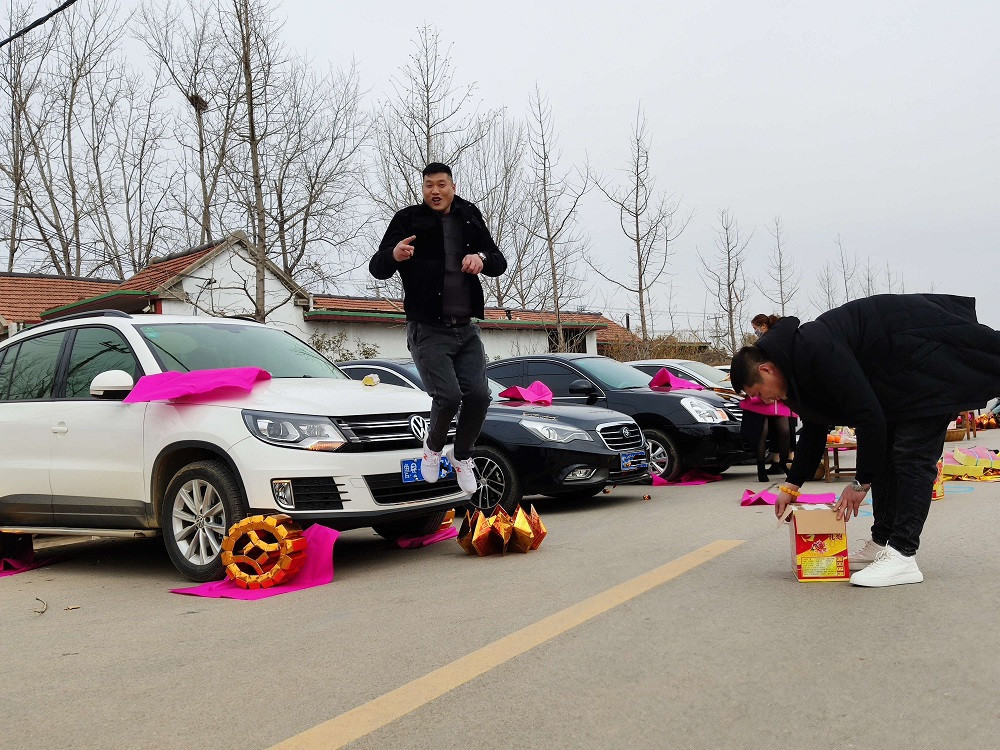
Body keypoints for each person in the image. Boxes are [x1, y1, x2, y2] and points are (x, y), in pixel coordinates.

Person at [730, 293, 1000, 587]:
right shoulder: (794, 368)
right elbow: (814, 429)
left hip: (927, 360)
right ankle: (882, 542)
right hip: (900, 379)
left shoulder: (813, 348)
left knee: (911, 456)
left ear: (766, 370)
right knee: (884, 454)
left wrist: (860, 483)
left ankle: (903, 554)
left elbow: (867, 414)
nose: (763, 400)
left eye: (757, 392)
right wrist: (791, 486)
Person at [370, 163, 507, 494]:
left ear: (452, 187)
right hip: (428, 328)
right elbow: (377, 266)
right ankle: (432, 450)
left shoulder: (469, 215)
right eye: (429, 185)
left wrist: (481, 259)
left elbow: (498, 261)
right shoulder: (407, 219)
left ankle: (461, 457)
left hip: (466, 328)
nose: (435, 191)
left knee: (478, 395)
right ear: (424, 189)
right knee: (447, 397)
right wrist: (394, 254)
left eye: (441, 184)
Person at [741, 314, 792, 482]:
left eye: (756, 328)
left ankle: (783, 462)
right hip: (761, 397)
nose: (755, 332)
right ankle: (761, 467)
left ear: (763, 326)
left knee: (785, 431)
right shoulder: (758, 347)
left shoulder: (775, 342)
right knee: (762, 432)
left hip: (776, 395)